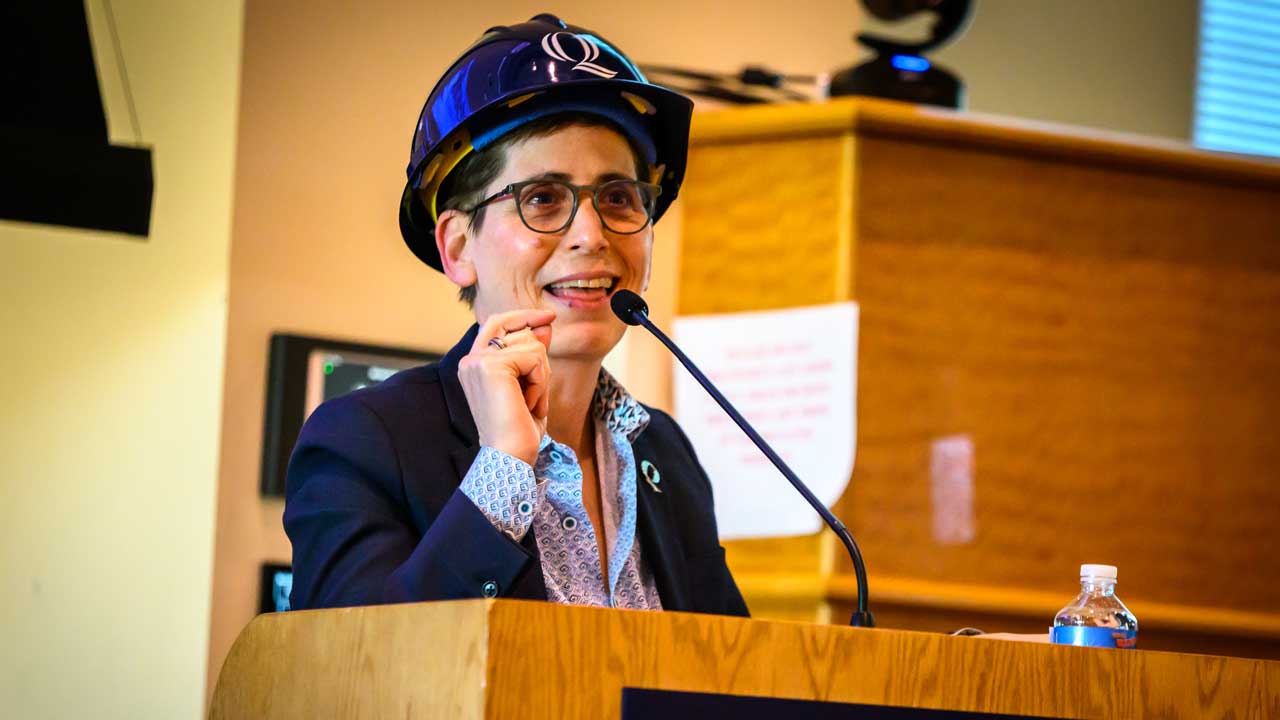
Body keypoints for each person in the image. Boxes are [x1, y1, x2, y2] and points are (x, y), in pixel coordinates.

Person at [284, 13, 748, 617]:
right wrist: (502, 465)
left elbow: (727, 679)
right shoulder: (365, 440)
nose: (591, 234)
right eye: (542, 198)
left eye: (617, 197)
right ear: (457, 247)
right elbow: (352, 678)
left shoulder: (665, 453)